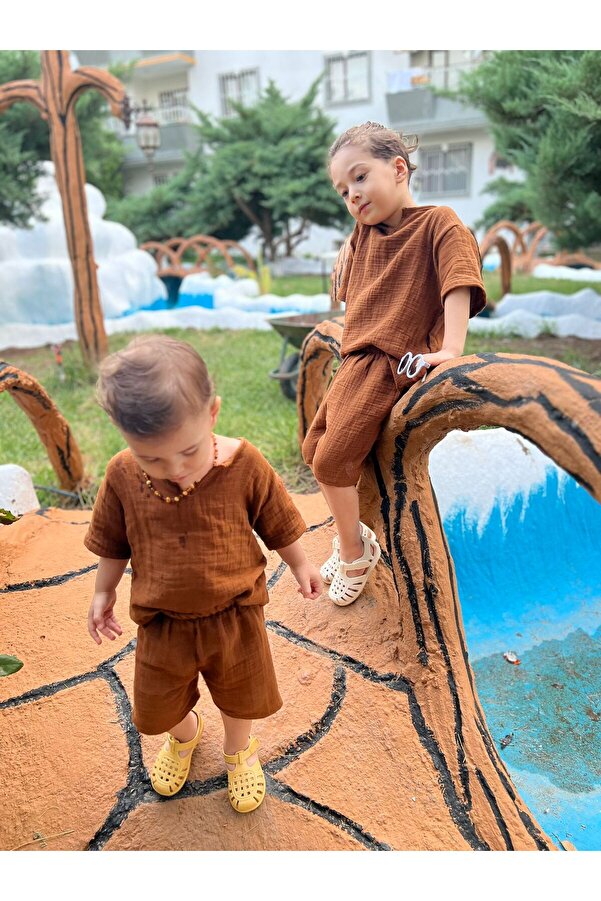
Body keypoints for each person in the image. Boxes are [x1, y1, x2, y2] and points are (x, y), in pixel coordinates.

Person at [84, 335, 322, 813]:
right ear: (123, 434)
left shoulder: (243, 464)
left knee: (241, 696)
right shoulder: (123, 475)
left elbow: (276, 518)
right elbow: (112, 540)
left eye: (189, 452)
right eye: (153, 458)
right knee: (157, 705)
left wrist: (300, 563)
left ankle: (239, 751)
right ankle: (185, 734)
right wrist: (103, 591)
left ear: (212, 413)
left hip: (235, 614)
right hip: (162, 621)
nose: (175, 470)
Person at [303, 122, 487, 607]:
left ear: (399, 168)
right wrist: (347, 246)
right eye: (342, 190)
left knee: (332, 460)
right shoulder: (365, 233)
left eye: (360, 177)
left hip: (392, 361)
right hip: (357, 359)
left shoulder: (439, 223)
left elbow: (457, 281)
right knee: (313, 448)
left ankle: (354, 552)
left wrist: (451, 348)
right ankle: (354, 533)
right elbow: (357, 273)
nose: (352, 194)